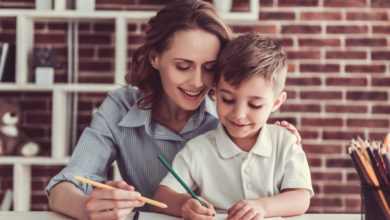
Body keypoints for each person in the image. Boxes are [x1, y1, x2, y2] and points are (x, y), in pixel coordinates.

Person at [46, 1, 299, 219]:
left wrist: (276, 136)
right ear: (155, 58)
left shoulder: (230, 112)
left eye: (209, 67)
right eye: (182, 66)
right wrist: (85, 207)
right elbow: (63, 186)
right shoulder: (121, 107)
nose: (198, 82)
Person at [153, 33, 314, 220]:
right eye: (227, 99)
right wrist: (183, 205)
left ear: (276, 102)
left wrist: (263, 207)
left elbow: (301, 198)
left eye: (254, 105)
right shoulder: (198, 149)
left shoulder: (285, 141)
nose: (239, 114)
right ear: (215, 91)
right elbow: (162, 196)